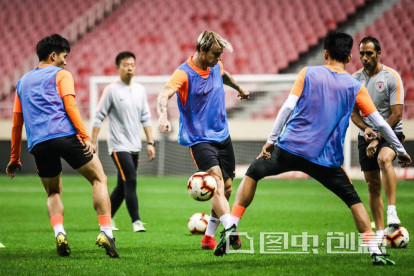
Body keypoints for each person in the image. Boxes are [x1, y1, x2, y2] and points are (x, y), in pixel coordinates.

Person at [214, 32, 411, 265]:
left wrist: (271, 140)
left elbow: (286, 108)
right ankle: (375, 252)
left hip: (289, 148)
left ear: (325, 53)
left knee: (254, 172)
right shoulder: (354, 85)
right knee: (354, 201)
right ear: (350, 58)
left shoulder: (307, 73)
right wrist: (399, 149)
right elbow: (379, 122)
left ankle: (233, 226)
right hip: (325, 159)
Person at [5, 34, 119, 258]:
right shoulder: (61, 74)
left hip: (38, 143)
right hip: (65, 135)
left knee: (53, 191)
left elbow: (17, 123)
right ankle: (106, 232)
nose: (66, 61)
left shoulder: (21, 82)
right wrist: (85, 136)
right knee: (99, 179)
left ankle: (60, 233)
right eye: (64, 56)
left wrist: (15, 158)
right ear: (53, 55)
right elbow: (71, 106)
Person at [157, 30, 249, 250]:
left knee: (226, 188)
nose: (219, 59)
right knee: (216, 181)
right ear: (201, 50)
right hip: (199, 139)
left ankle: (208, 237)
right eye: (215, 54)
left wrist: (238, 87)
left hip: (222, 135)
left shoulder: (216, 65)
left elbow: (224, 74)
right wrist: (162, 115)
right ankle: (230, 229)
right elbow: (164, 94)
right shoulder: (184, 73)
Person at [91, 51, 156, 233]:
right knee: (131, 180)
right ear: (117, 67)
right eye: (126, 65)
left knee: (122, 185)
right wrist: (92, 142)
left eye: (132, 65)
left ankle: (107, 218)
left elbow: (146, 117)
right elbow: (99, 116)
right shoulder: (111, 90)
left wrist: (151, 142)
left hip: (135, 145)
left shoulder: (140, 90)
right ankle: (136, 221)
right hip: (118, 146)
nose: (130, 68)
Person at [351, 37, 405, 242]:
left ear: (378, 54)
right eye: (361, 54)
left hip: (391, 133)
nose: (364, 58)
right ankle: (381, 233)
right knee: (372, 185)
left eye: (369, 54)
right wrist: (366, 130)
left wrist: (378, 137)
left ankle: (392, 211)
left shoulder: (392, 77)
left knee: (384, 159)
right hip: (366, 136)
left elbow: (396, 114)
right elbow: (353, 113)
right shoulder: (355, 79)